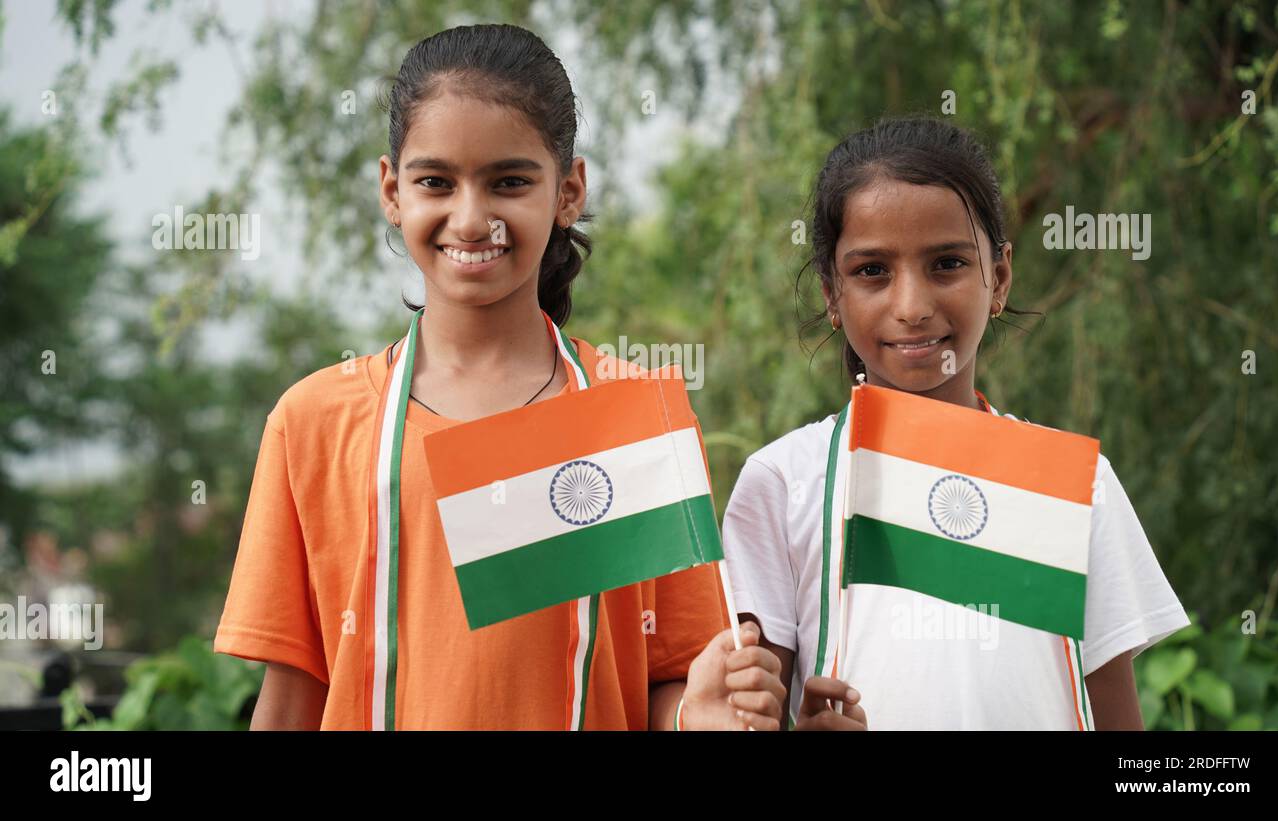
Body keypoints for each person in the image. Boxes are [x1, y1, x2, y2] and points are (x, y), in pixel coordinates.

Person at [215, 23, 784, 730]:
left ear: (568, 191)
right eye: (436, 181)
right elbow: (291, 703)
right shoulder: (313, 422)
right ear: (392, 191)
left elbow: (669, 679)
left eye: (509, 181)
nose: (472, 217)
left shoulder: (634, 422)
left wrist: (697, 715)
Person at [721, 116, 1190, 730]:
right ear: (832, 297)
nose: (912, 307)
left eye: (947, 263)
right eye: (871, 272)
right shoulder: (783, 485)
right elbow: (744, 712)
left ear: (998, 278)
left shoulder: (1073, 485)